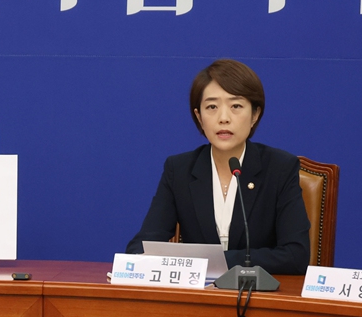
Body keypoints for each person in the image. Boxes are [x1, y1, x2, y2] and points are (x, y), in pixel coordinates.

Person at [126, 59, 310, 274]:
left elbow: (295, 255)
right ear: (199, 117)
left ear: (255, 115)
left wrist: (209, 262)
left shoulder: (279, 168)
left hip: (256, 291)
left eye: (236, 106)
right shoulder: (179, 170)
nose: (223, 118)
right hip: (197, 293)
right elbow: (141, 247)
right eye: (212, 107)